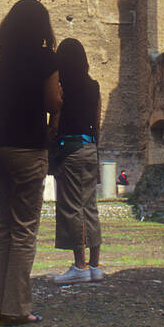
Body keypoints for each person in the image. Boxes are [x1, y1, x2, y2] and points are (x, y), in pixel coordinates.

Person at [0, 0, 61, 326]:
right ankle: (18, 308)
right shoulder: (45, 58)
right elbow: (53, 99)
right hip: (28, 147)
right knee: (25, 229)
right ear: (42, 27)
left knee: (3, 228)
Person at [50, 37, 105, 285]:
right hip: (90, 147)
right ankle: (95, 265)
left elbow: (56, 120)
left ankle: (79, 266)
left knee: (72, 208)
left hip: (69, 149)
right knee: (90, 207)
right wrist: (97, 152)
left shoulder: (61, 87)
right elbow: (97, 123)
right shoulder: (94, 87)